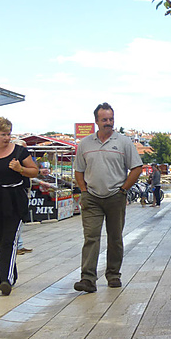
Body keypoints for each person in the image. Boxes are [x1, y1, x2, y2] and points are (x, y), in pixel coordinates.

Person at [74, 103, 143, 293]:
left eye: (111, 119)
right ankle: (87, 278)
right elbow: (78, 170)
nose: (108, 123)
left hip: (115, 196)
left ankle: (113, 274)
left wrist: (124, 189)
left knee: (115, 238)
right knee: (91, 237)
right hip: (92, 197)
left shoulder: (123, 142)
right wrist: (84, 191)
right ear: (96, 121)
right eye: (104, 119)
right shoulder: (85, 144)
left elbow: (137, 167)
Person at [0, 118, 39, 295]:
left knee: (9, 241)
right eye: (3, 134)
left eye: (9, 134)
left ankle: (5, 280)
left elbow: (34, 171)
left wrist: (20, 169)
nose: (7, 138)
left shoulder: (19, 151)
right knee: (2, 242)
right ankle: (10, 272)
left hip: (14, 201)